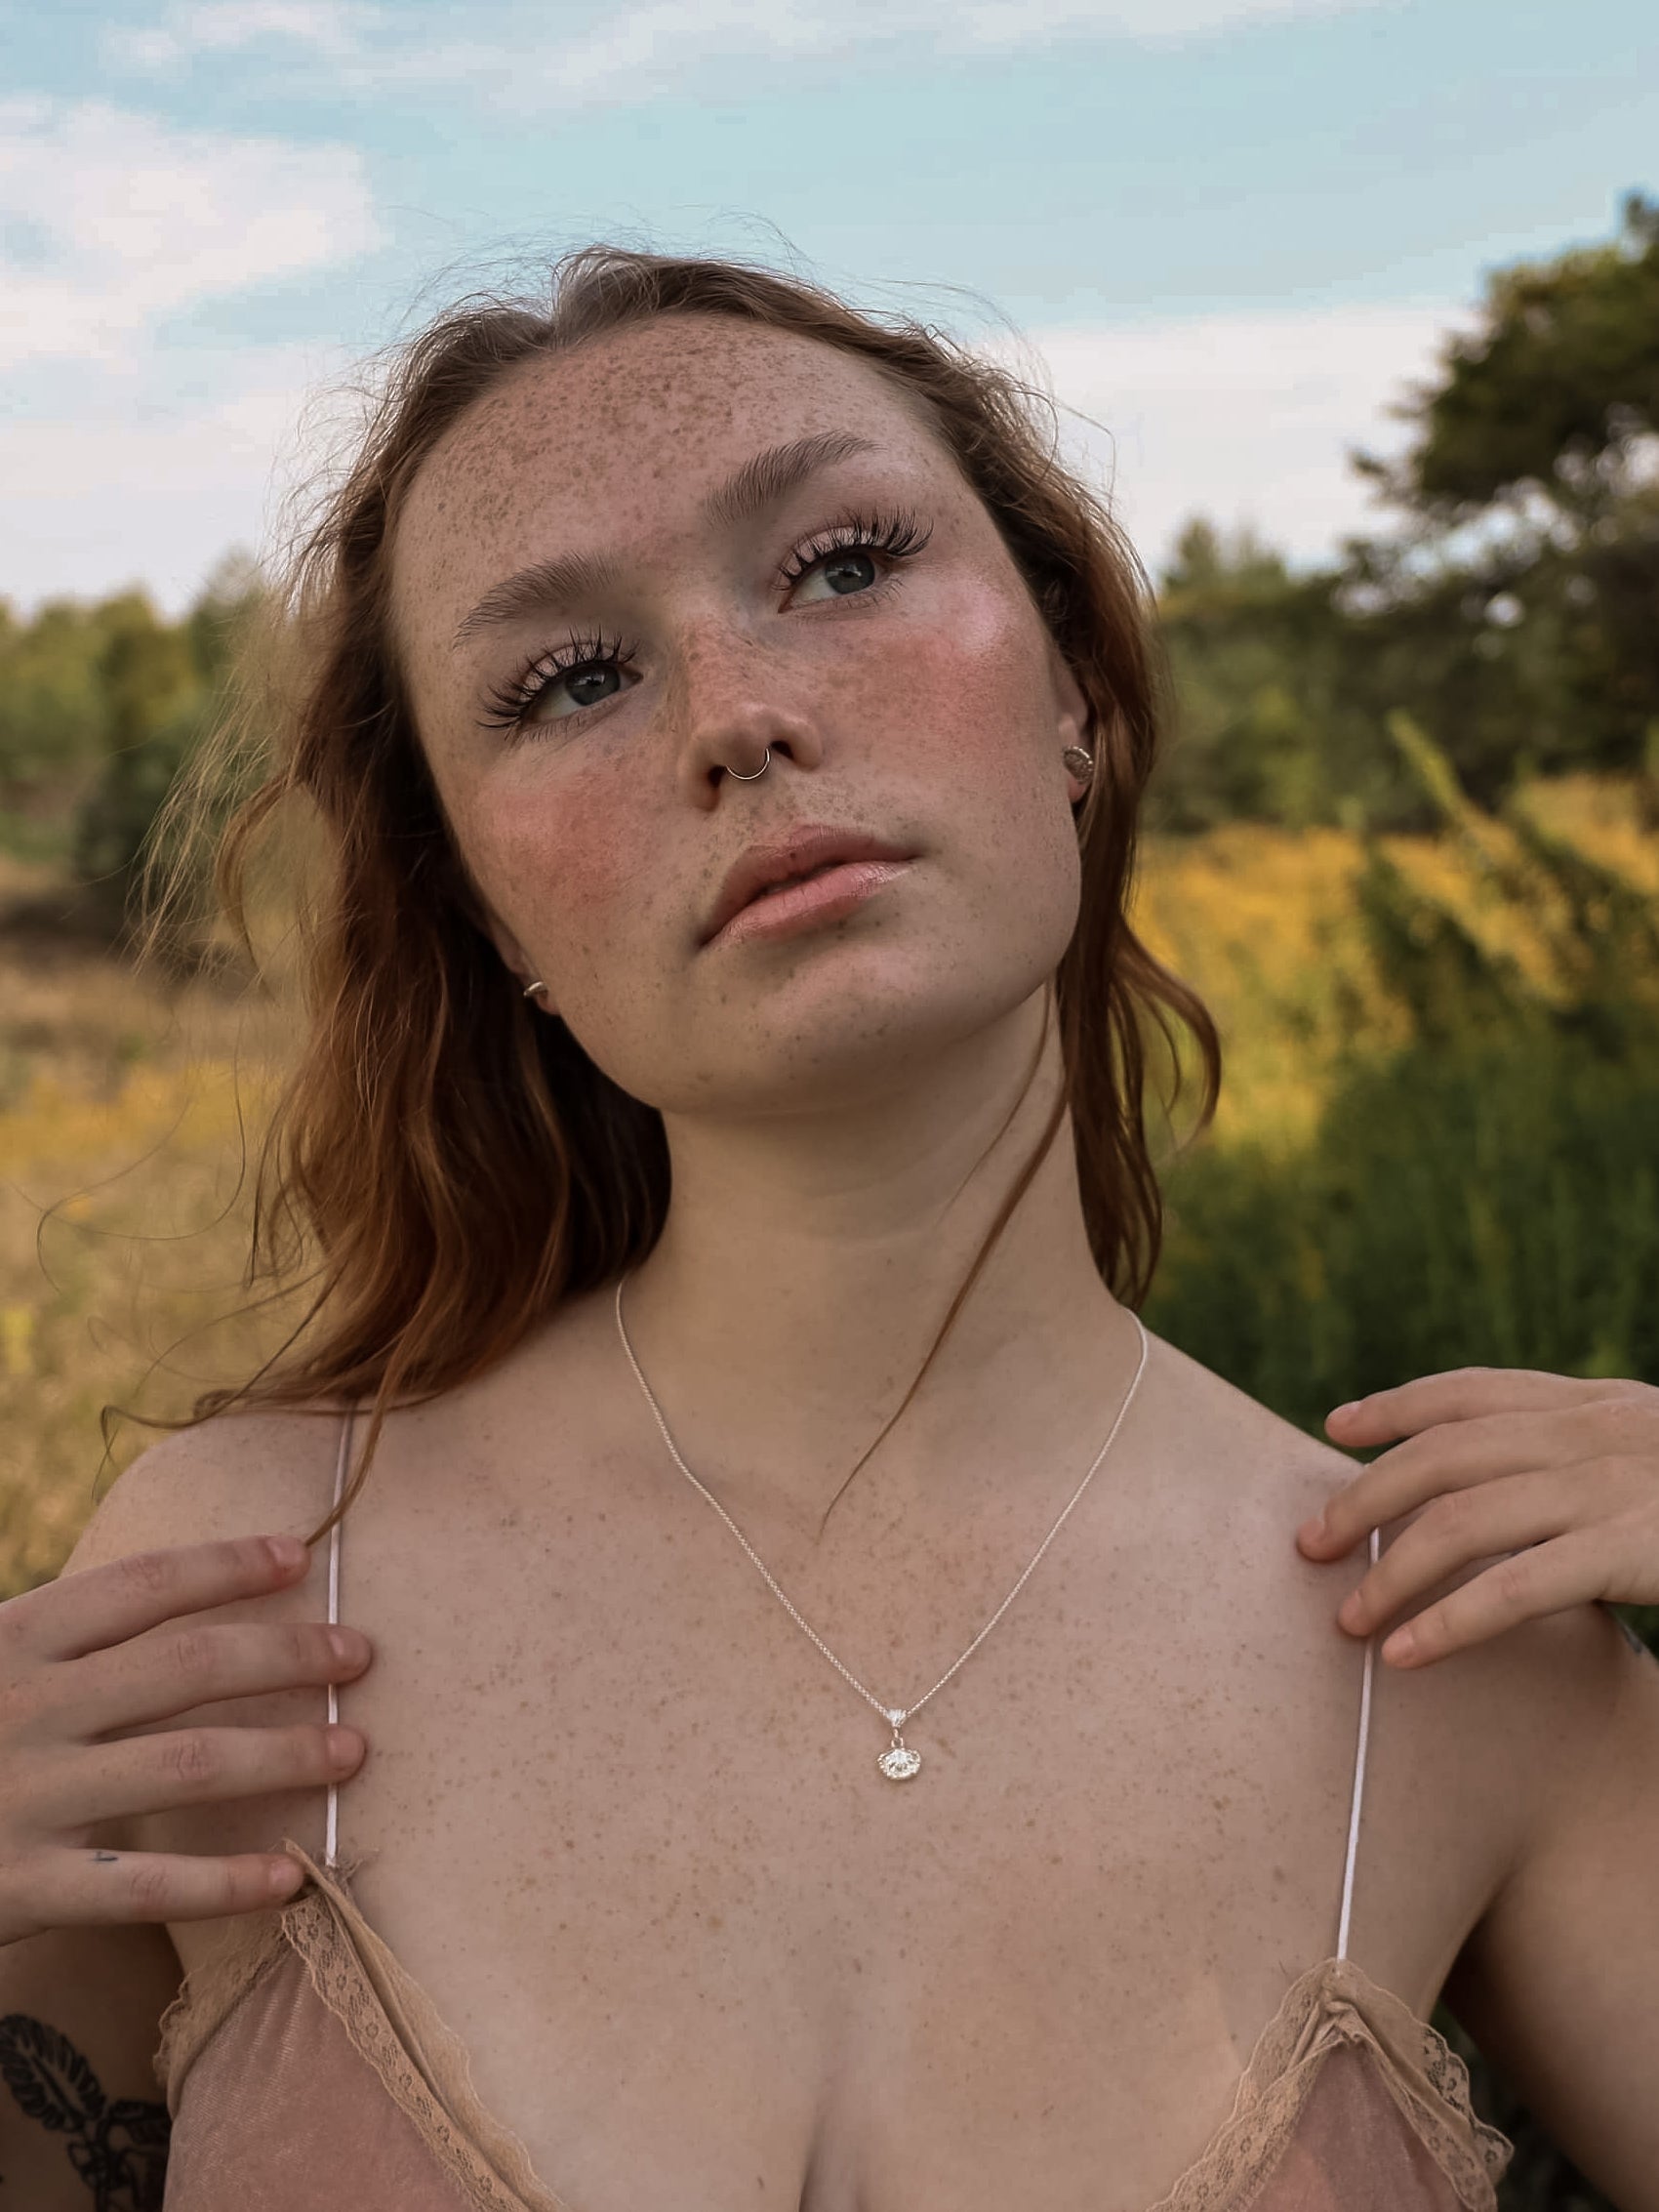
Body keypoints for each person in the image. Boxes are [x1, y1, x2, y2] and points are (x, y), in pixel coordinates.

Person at [2, 248, 1657, 2212]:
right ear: (488, 920)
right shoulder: (235, 1616)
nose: (738, 711)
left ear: (1075, 692)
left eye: (843, 563)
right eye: (568, 678)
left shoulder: (1465, 1652)